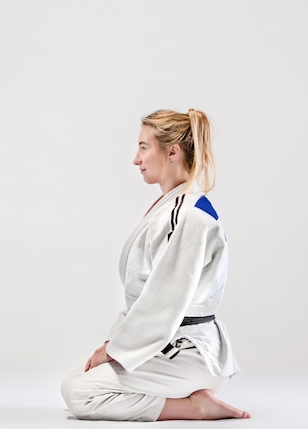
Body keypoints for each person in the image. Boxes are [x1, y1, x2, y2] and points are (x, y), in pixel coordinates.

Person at [61, 109, 250, 422]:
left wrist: (115, 351)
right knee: (73, 384)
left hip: (191, 354)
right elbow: (151, 295)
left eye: (144, 147)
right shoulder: (174, 207)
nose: (136, 159)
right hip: (168, 346)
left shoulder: (187, 215)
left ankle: (194, 407)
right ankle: (190, 397)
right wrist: (116, 343)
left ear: (172, 151)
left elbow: (164, 300)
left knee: (79, 394)